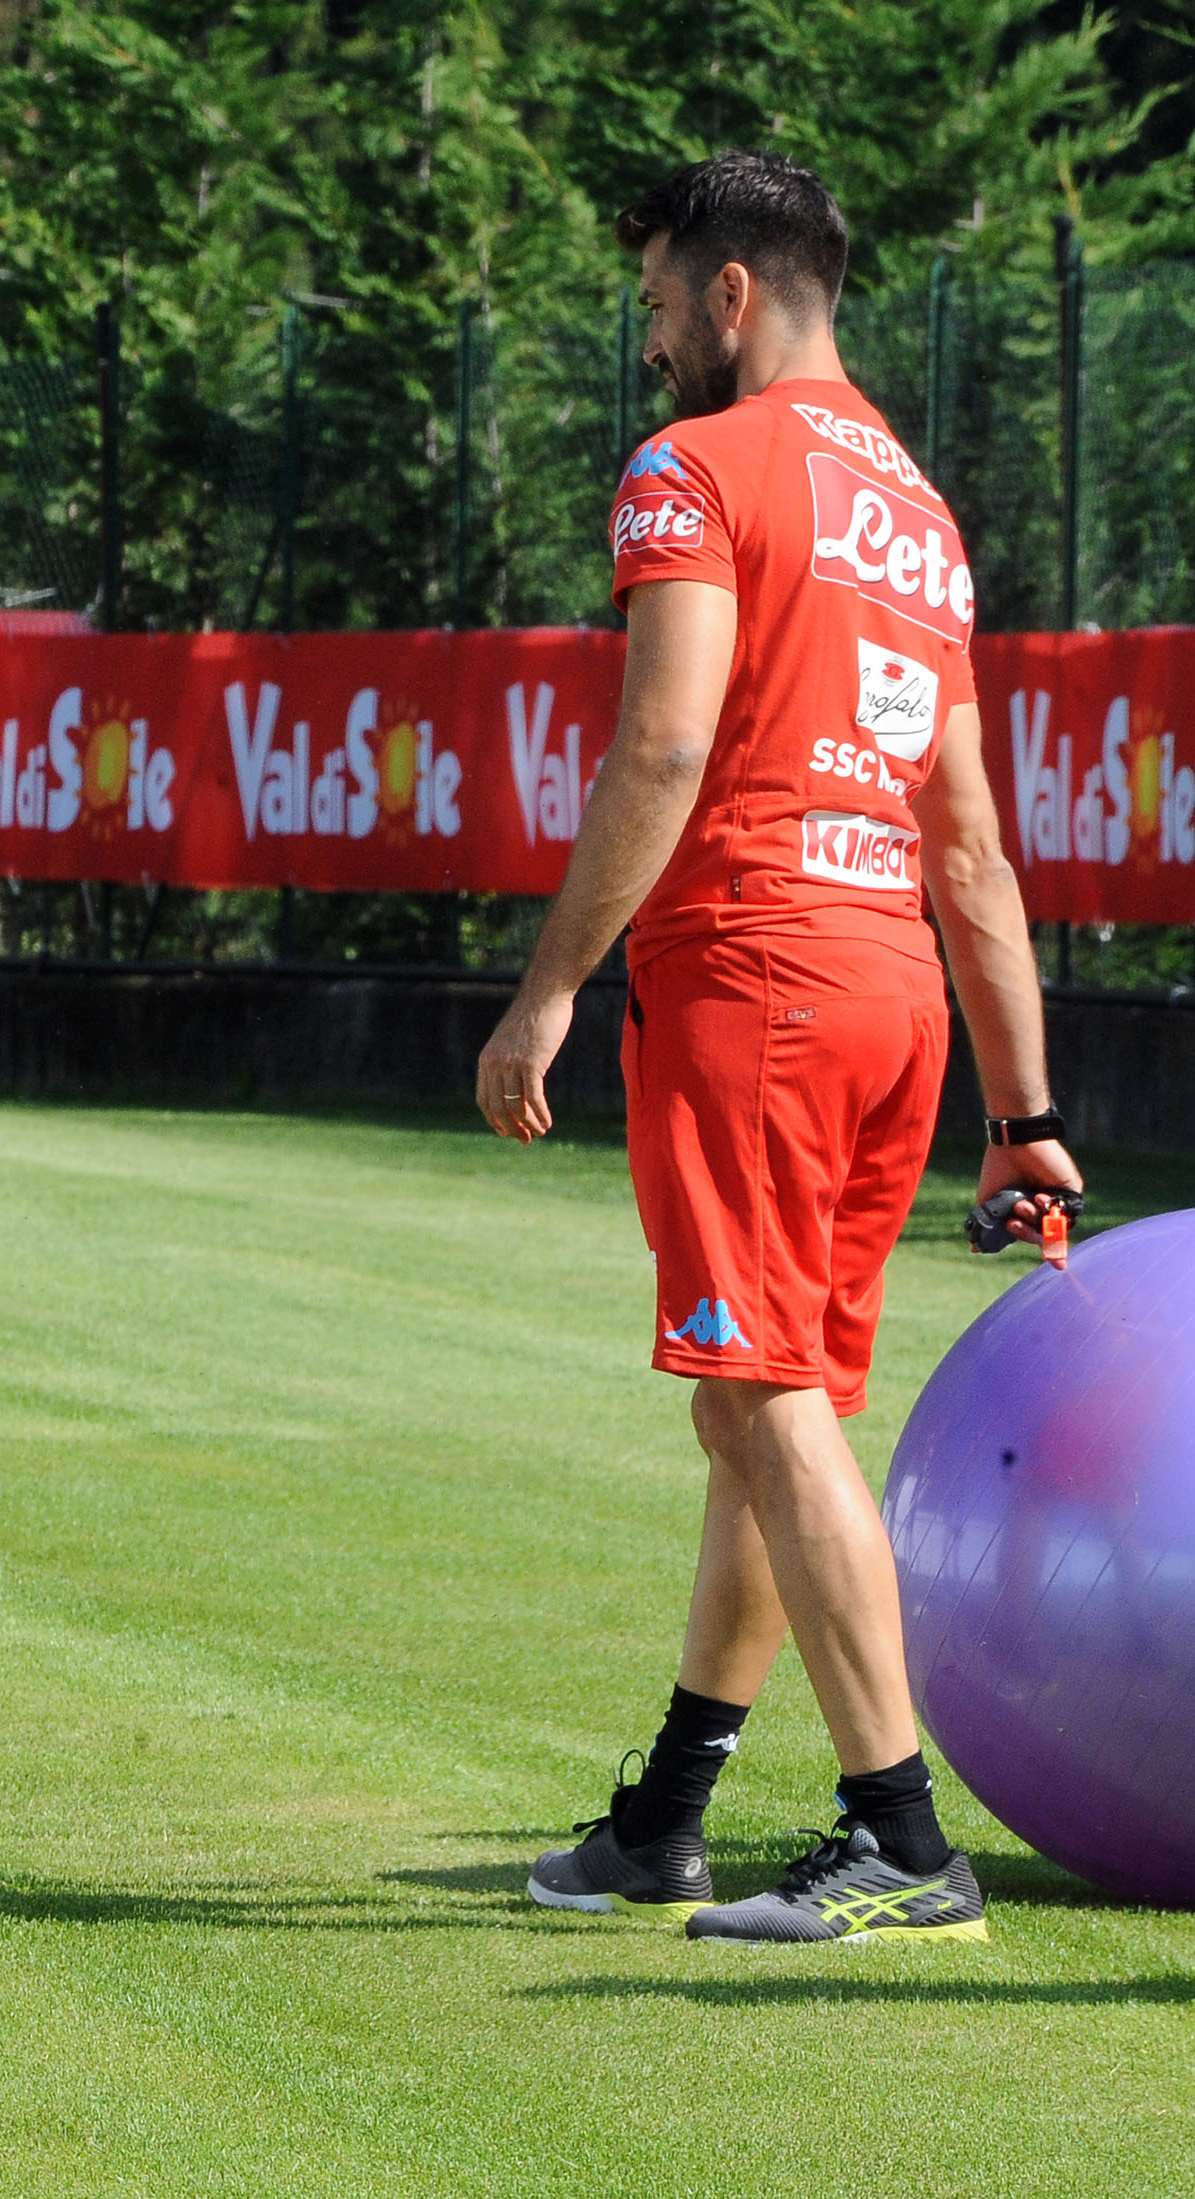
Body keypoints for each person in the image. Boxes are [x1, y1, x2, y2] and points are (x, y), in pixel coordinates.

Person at [477, 152, 1084, 1944]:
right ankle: (666, 1814)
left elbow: (662, 750)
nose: (651, 335)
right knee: (771, 1406)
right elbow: (970, 840)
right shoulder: (923, 511)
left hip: (755, 977)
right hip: (892, 984)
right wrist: (1024, 1109)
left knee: (759, 1395)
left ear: (734, 296)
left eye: (661, 302)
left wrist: (547, 990)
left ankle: (899, 1833)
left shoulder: (691, 469)